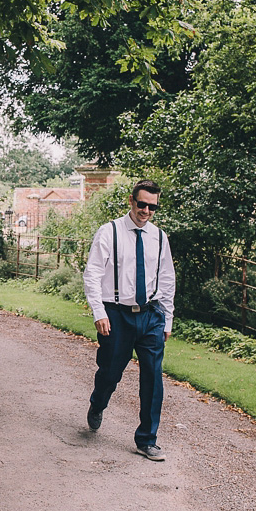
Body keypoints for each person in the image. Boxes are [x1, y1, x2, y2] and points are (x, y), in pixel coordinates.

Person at [83, 179, 176, 461]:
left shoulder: (159, 237)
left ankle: (147, 439)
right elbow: (93, 275)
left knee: (152, 377)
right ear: (131, 201)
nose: (146, 210)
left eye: (152, 206)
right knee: (110, 372)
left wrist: (167, 320)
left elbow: (167, 280)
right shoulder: (109, 232)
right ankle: (98, 403)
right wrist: (99, 312)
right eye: (142, 204)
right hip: (116, 314)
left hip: (150, 315)